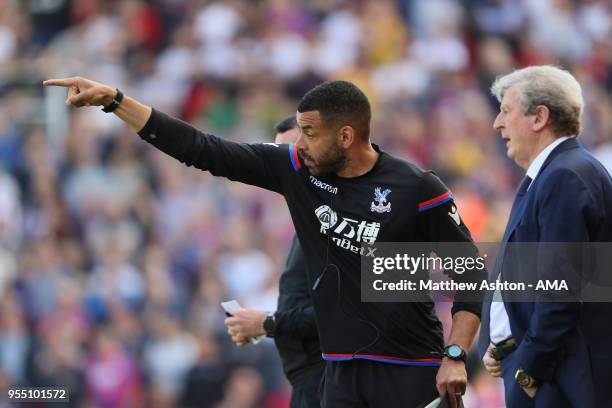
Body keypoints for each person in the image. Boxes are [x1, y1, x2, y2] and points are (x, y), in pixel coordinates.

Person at [43, 77, 484, 408]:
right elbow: (203, 148)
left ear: (347, 136)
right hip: (340, 376)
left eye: (310, 133)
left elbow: (470, 273)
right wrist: (117, 102)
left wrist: (456, 355)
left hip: (410, 370)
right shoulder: (296, 170)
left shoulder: (416, 188)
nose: (300, 144)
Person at [479, 65, 612, 407]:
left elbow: (559, 292)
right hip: (549, 372)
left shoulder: (565, 176)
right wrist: (503, 344)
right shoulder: (556, 173)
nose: (498, 123)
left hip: (560, 381)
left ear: (539, 117)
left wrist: (528, 369)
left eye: (506, 111)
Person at [224, 115, 325, 408]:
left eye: (293, 152)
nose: (285, 167)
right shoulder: (308, 226)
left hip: (330, 382)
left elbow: (349, 315)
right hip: (309, 382)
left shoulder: (346, 226)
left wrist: (268, 323)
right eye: (278, 154)